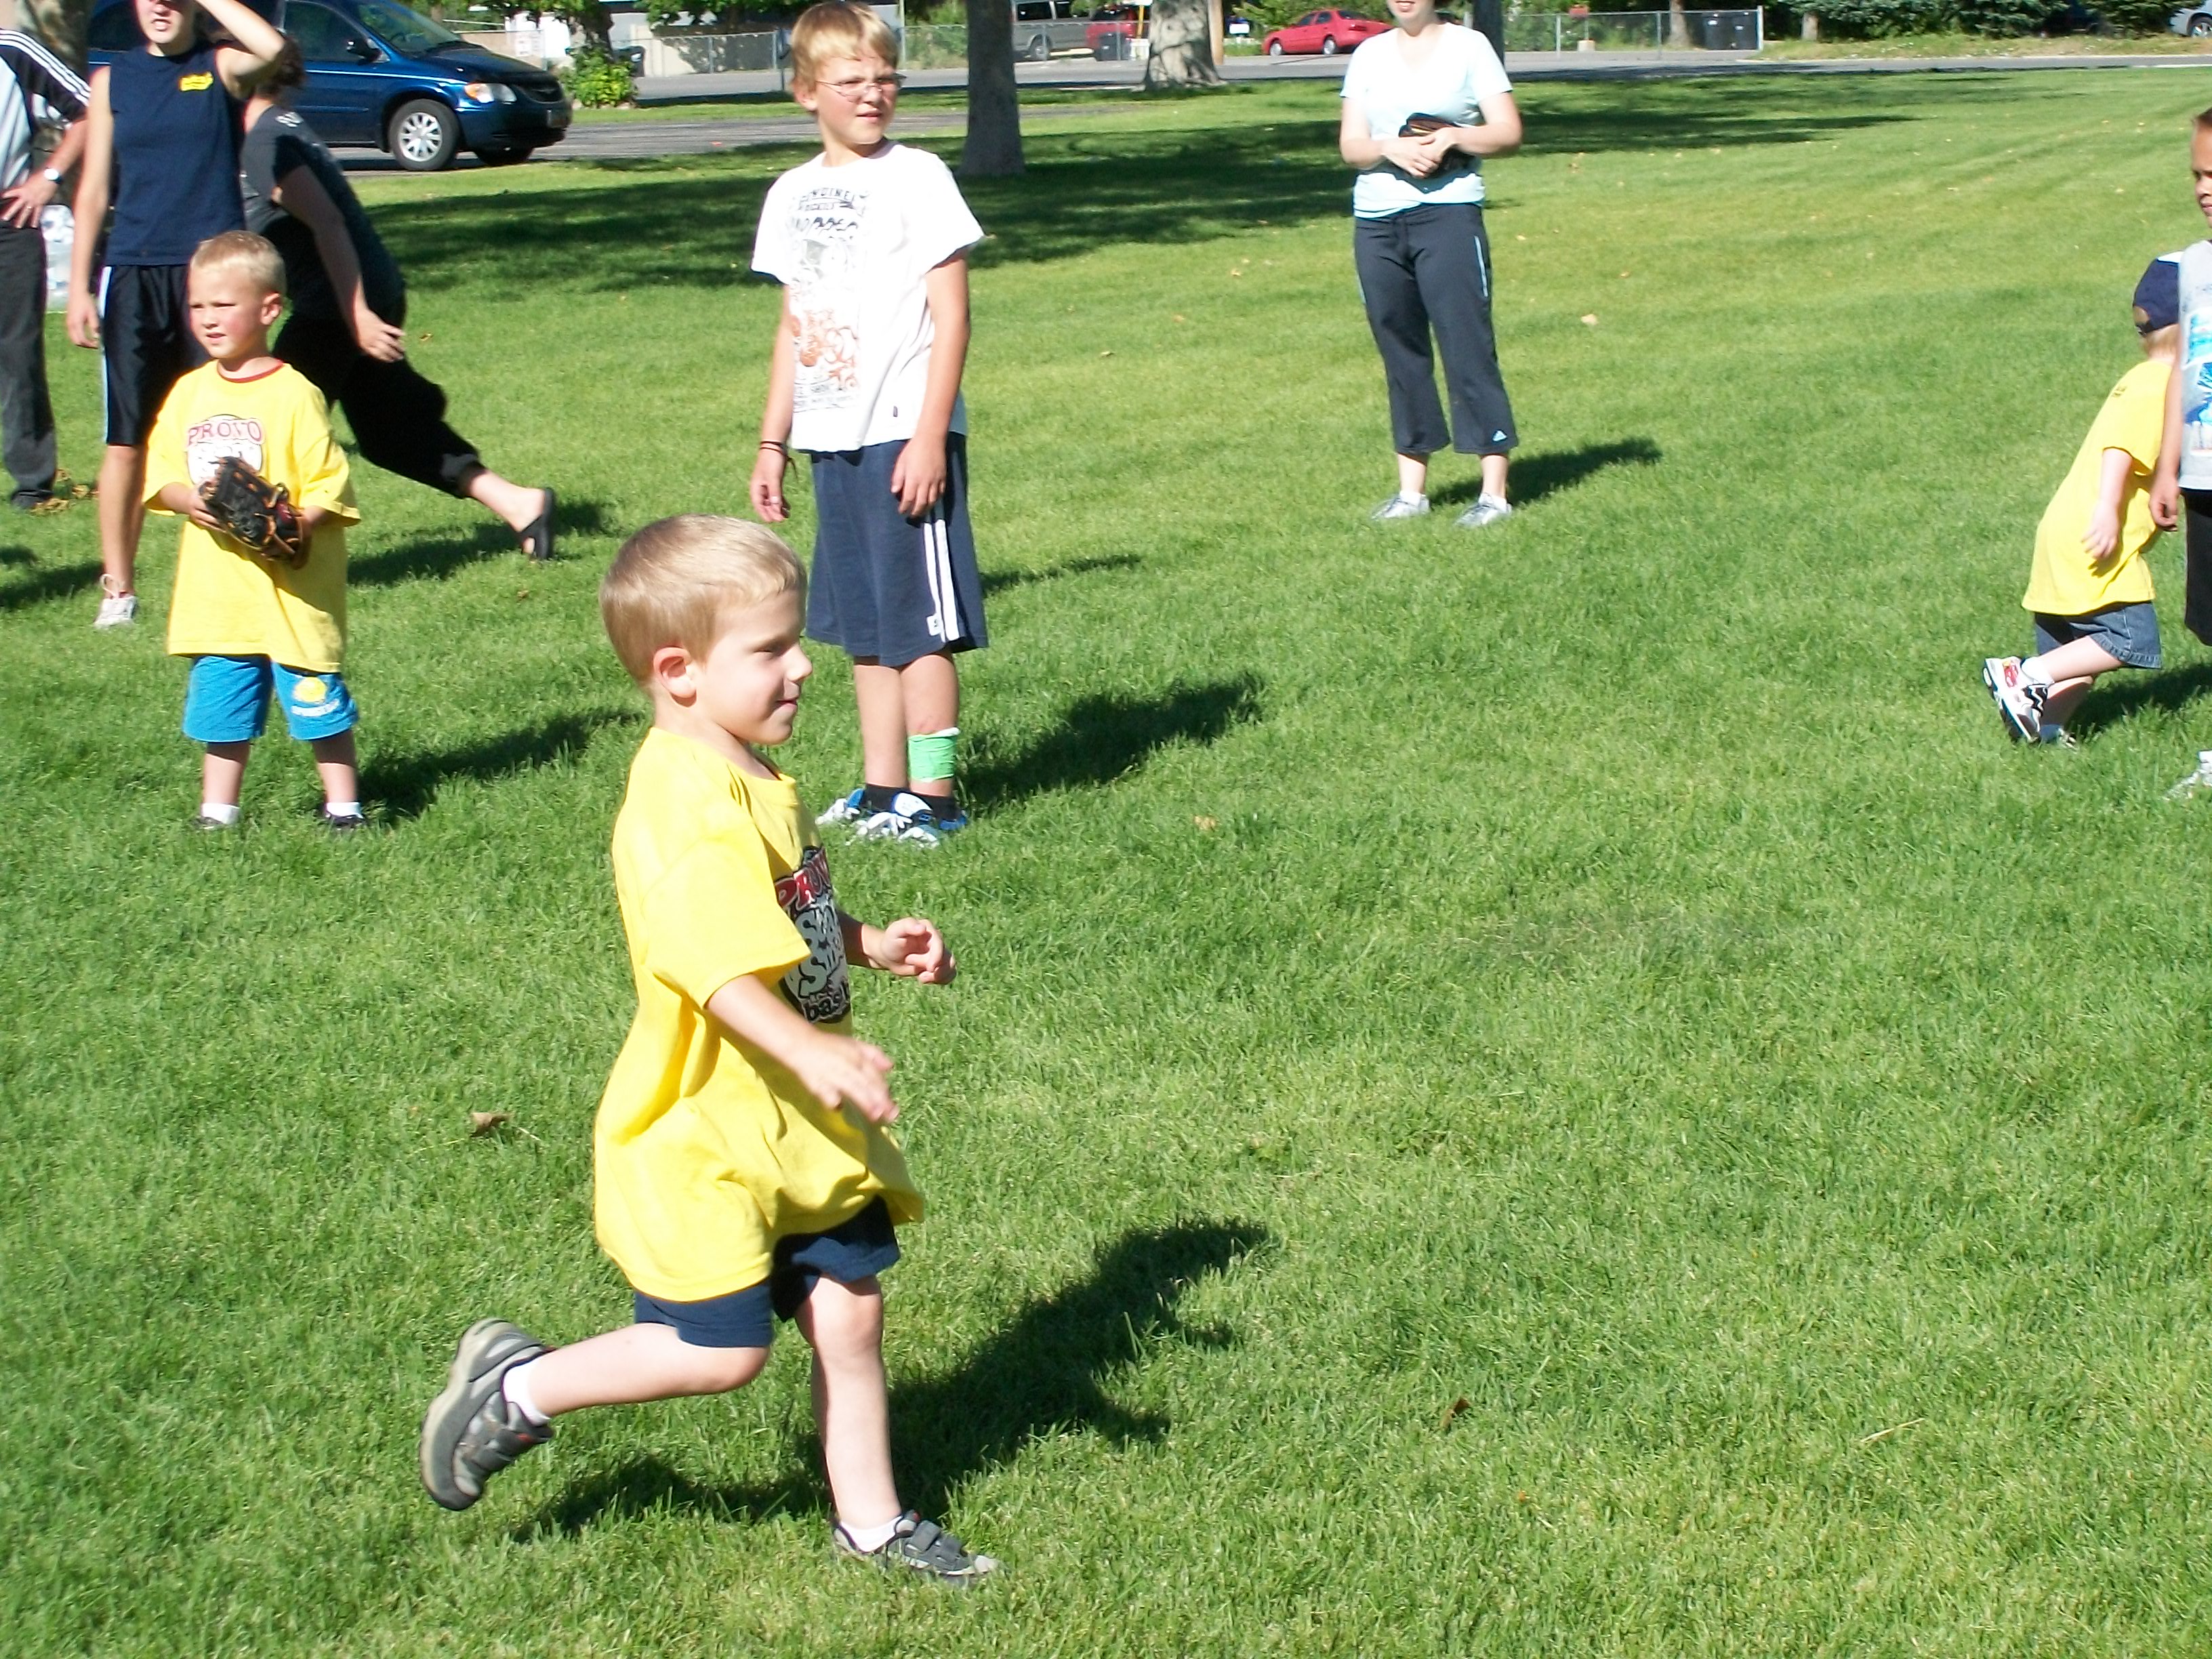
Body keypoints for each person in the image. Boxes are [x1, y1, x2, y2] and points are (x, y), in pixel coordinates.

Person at [417, 514, 996, 1584]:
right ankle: (518, 1388)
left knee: (850, 1315)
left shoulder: (748, 773)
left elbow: (779, 913)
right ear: (679, 673)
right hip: (710, 1133)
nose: (804, 665)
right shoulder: (680, 806)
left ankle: (873, 1524)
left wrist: (867, 943)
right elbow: (713, 966)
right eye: (771, 649)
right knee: (721, 1352)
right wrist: (812, 1050)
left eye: (796, 640)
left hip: (798, 1127)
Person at [749, 1, 986, 848]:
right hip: (832, 438)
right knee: (863, 627)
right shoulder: (792, 193)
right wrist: (773, 441)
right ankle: (884, 788)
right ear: (806, 91)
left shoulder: (918, 177)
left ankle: (936, 796)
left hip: (902, 431)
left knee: (919, 627)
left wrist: (928, 435)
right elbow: (795, 326)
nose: (872, 94)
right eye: (851, 81)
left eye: (886, 79)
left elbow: (952, 318)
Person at [239, 46, 554, 558]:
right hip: (362, 295)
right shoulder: (278, 128)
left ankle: (276, 540)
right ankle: (521, 504)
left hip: (339, 306)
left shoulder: (263, 139)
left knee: (271, 421)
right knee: (391, 432)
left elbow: (328, 221)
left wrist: (357, 316)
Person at [66, 0, 285, 630]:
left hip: (212, 274)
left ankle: (252, 562)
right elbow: (94, 190)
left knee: (230, 428)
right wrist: (80, 287)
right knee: (126, 440)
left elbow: (272, 49)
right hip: (134, 274)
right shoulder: (112, 80)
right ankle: (119, 591)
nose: (159, 5)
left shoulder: (221, 66)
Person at [146, 232, 363, 830]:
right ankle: (218, 814)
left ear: (269, 310)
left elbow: (329, 481)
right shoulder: (189, 392)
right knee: (221, 714)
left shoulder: (294, 394)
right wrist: (189, 500)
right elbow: (161, 472)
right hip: (218, 599)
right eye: (197, 305)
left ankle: (345, 809)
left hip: (292, 594)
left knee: (318, 703)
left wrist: (294, 525)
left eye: (224, 304)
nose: (208, 319)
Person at [1338, 0, 1521, 528]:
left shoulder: (1470, 47)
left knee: (1467, 346)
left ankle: (1493, 495)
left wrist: (1455, 137)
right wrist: (1389, 148)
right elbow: (1351, 146)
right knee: (1401, 351)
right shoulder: (1369, 54)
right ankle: (1411, 493)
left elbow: (1507, 132)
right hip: (1376, 222)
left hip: (1448, 216)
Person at [1984, 259, 2177, 747]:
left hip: (2064, 532)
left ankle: (2047, 729)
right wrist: (2109, 508)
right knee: (2127, 640)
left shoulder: (2141, 377)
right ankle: (2024, 676)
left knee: (2077, 656)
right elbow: (2120, 446)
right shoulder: (2160, 386)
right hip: (2095, 535)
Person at [0, 28, 87, 512]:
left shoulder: (12, 51)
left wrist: (48, 177)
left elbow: (90, 109)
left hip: (9, 223)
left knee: (17, 356)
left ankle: (32, 484)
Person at [2152, 107, 2212, 651]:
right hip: (2202, 471)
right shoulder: (2194, 264)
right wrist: (2167, 469)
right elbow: (2183, 372)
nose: (2203, 189)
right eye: (2197, 175)